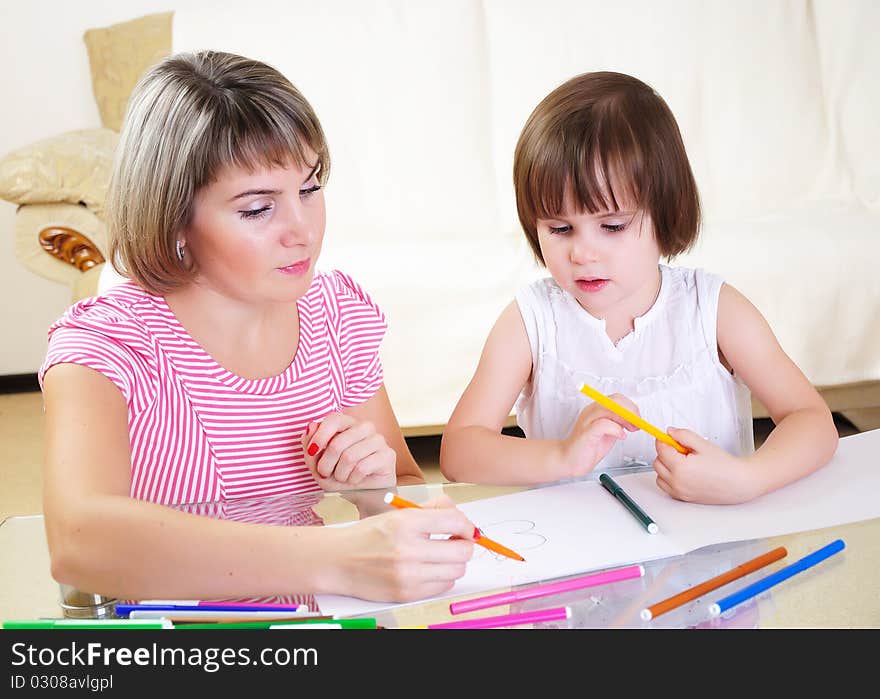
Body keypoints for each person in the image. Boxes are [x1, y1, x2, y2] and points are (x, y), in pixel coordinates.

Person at [40, 50, 476, 604]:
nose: (303, 230)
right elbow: (78, 543)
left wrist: (375, 494)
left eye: (310, 188)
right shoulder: (105, 346)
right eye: (256, 209)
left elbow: (404, 491)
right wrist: (336, 559)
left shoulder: (336, 316)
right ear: (174, 219)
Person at [440, 71, 839, 505]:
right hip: (581, 553)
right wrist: (562, 456)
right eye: (559, 228)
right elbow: (460, 449)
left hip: (709, 544)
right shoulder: (530, 321)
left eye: (611, 225)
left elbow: (812, 420)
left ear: (667, 213)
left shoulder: (714, 309)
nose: (582, 253)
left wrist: (749, 478)